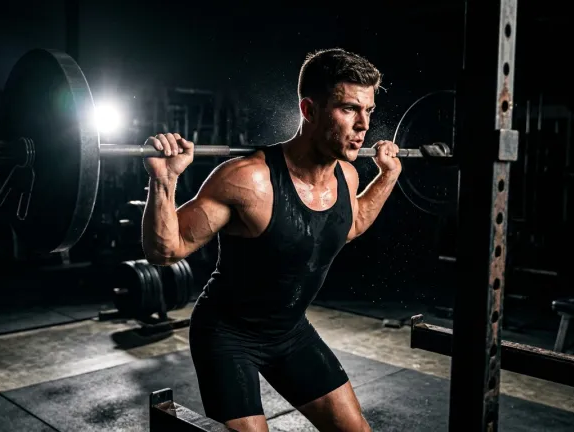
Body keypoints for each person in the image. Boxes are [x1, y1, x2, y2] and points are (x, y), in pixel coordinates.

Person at [142, 48, 402, 432]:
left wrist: (388, 176)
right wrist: (164, 181)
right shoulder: (247, 180)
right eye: (348, 109)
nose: (364, 125)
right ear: (310, 111)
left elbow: (351, 223)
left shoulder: (347, 177)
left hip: (290, 331)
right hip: (228, 335)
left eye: (369, 111)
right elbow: (166, 249)